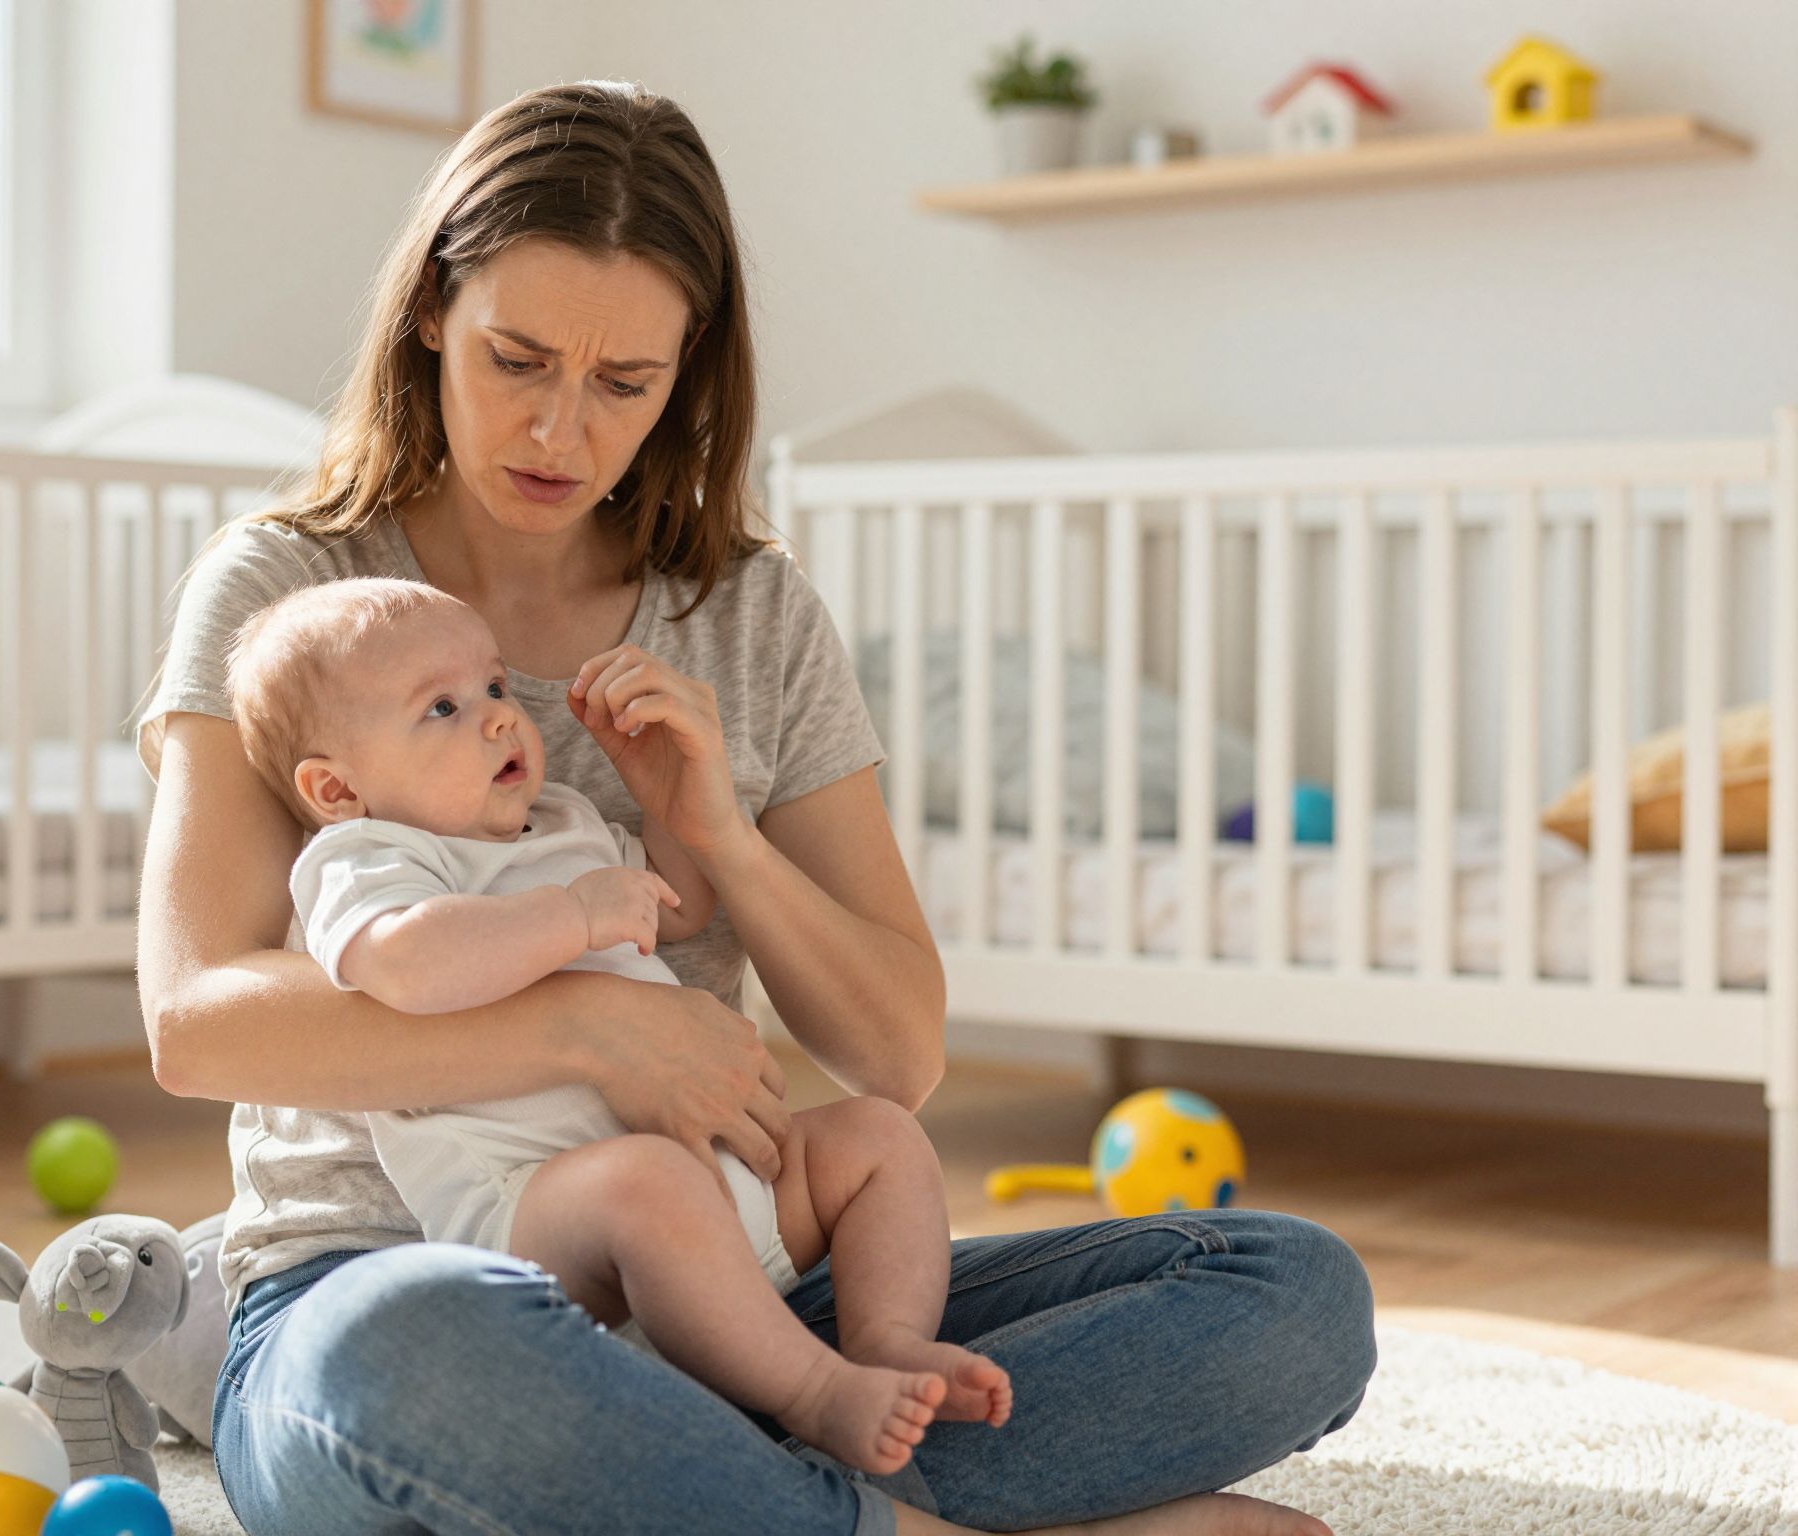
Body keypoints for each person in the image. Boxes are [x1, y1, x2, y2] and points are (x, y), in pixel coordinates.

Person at [135, 78, 1376, 1536]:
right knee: (403, 1362)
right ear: (428, 316)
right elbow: (196, 1021)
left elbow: (895, 1053)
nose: (558, 429)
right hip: (383, 1279)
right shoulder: (289, 595)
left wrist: (720, 832)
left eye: (624, 383)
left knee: (1292, 1297)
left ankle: (715, 1483)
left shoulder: (747, 614)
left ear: (690, 374)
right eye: (515, 359)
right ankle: (884, 1517)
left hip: (740, 1295)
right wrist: (591, 1023)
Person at [223, 577, 1011, 1473]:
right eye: (440, 708)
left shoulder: (560, 820)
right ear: (336, 787)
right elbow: (408, 964)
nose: (494, 719)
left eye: (492, 688)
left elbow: (675, 909)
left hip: (723, 1188)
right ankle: (813, 1397)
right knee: (644, 1181)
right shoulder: (364, 857)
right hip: (538, 1212)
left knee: (880, 1137)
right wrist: (574, 917)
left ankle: (885, 1343)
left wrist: (681, 812)